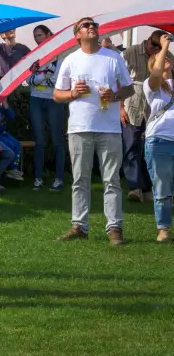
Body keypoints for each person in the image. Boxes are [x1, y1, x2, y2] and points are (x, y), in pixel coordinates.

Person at [54, 17, 134, 245]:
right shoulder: (70, 60)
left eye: (94, 25)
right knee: (80, 179)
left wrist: (114, 95)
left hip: (109, 128)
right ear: (77, 35)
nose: (92, 27)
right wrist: (73, 93)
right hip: (80, 127)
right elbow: (57, 94)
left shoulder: (113, 57)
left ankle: (114, 228)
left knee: (112, 180)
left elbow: (129, 89)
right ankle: (79, 226)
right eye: (86, 25)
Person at [120, 30, 168, 203]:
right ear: (148, 41)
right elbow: (118, 80)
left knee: (149, 148)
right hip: (131, 103)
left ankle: (147, 187)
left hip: (153, 107)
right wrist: (120, 107)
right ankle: (135, 187)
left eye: (159, 47)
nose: (155, 49)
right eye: (154, 45)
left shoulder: (165, 55)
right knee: (131, 145)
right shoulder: (130, 52)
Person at [25, 24, 65, 190]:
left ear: (49, 34)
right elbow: (28, 80)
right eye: (35, 36)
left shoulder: (60, 55)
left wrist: (39, 77)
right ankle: (38, 179)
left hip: (54, 99)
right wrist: (45, 75)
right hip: (36, 99)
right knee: (39, 140)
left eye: (40, 35)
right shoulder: (33, 56)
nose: (37, 39)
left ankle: (59, 179)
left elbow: (58, 80)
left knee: (57, 140)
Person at [141, 50, 173, 243]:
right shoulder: (151, 85)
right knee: (162, 187)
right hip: (159, 141)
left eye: (168, 56)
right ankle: (164, 228)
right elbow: (155, 76)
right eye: (160, 58)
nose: (165, 57)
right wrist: (164, 45)